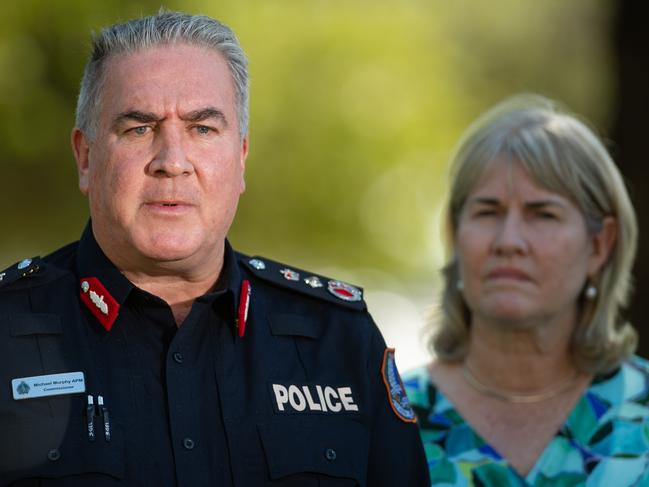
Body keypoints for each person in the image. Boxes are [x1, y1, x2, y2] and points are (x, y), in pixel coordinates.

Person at [0, 11, 428, 487]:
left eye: (203, 129)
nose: (172, 162)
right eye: (139, 128)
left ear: (241, 157)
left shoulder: (339, 339)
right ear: (85, 157)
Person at [403, 95, 649, 486]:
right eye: (487, 212)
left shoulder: (642, 414)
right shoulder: (386, 417)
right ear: (454, 234)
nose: (509, 240)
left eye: (543, 214)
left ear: (599, 246)